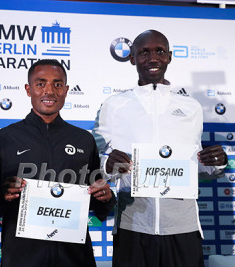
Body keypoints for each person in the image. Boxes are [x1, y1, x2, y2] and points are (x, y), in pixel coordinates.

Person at [92, 29, 227, 267]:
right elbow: (95, 163)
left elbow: (196, 168)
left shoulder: (191, 107)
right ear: (132, 58)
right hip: (133, 225)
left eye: (160, 51)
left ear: (169, 57)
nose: (153, 58)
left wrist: (217, 163)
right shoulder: (114, 105)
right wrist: (108, 165)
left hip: (183, 227)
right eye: (144, 52)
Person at [0, 59, 116, 267]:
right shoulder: (6, 137)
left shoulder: (83, 140)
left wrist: (106, 197)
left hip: (74, 258)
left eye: (58, 84)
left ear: (66, 90)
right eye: (40, 83)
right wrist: (1, 194)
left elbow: (99, 203)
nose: (49, 91)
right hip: (22, 258)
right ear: (28, 89)